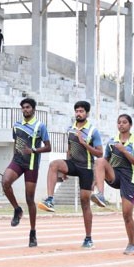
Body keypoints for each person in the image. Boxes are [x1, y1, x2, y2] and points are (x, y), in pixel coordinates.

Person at [38, 100, 103, 248]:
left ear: (87, 113)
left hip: (86, 168)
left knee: (85, 202)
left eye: (81, 111)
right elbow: (69, 148)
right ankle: (50, 199)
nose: (78, 114)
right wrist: (65, 168)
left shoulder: (93, 131)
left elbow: (100, 153)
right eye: (77, 111)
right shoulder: (70, 129)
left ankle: (88, 237)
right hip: (73, 163)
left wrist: (84, 143)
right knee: (54, 164)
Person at [90, 114, 134, 255]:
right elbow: (104, 161)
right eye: (119, 122)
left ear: (130, 125)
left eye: (124, 122)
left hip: (129, 178)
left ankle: (131, 244)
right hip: (115, 174)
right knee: (99, 161)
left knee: (126, 214)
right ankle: (100, 195)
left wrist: (124, 151)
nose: (121, 124)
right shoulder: (111, 142)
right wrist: (96, 180)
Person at [2, 98, 51, 248]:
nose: (25, 109)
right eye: (23, 107)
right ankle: (17, 209)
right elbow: (16, 143)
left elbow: (48, 147)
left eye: (28, 107)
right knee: (5, 182)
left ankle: (33, 232)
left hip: (31, 165)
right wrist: (13, 159)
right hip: (17, 161)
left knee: (30, 199)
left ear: (33, 109)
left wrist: (34, 150)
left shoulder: (40, 126)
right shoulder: (16, 125)